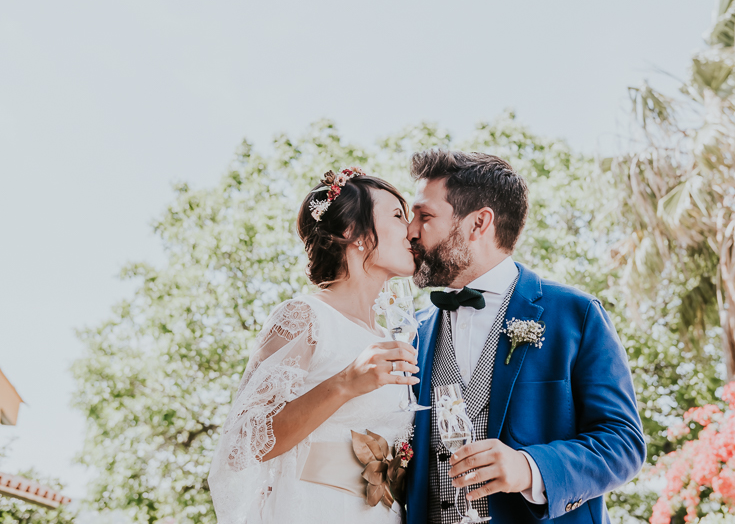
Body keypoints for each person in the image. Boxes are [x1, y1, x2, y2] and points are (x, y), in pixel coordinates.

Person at [404, 151, 646, 524]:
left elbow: (624, 443)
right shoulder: (413, 332)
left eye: (425, 216)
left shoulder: (575, 314)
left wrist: (530, 467)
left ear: (478, 223)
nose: (411, 231)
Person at [208, 168, 420, 524]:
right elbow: (241, 442)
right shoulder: (305, 317)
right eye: (398, 215)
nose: (411, 230)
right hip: (314, 508)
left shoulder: (393, 337)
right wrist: (344, 384)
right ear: (355, 234)